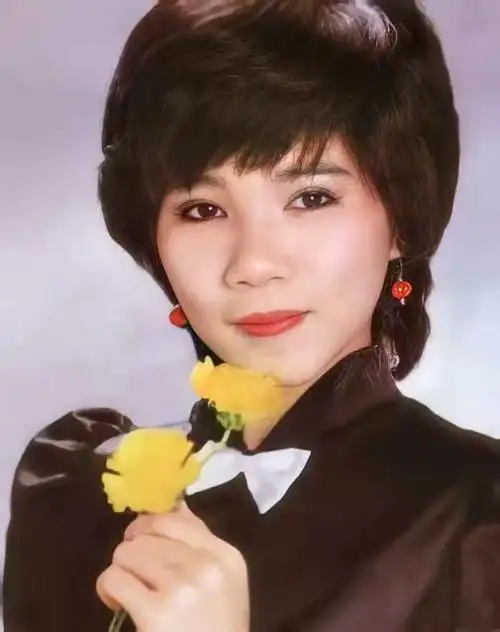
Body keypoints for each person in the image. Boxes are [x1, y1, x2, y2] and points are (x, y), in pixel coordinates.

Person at [3, 0, 500, 630]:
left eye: (311, 197)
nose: (254, 264)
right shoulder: (76, 492)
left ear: (401, 220)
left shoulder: (479, 521)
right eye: (203, 210)